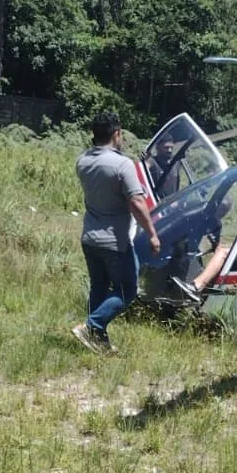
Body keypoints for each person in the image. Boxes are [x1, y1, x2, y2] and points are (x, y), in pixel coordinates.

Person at [72, 111, 161, 353]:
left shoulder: (83, 161)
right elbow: (137, 203)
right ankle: (93, 326)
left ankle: (95, 339)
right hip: (115, 242)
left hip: (89, 238)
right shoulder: (122, 165)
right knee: (126, 290)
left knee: (99, 286)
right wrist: (152, 233)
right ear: (116, 134)